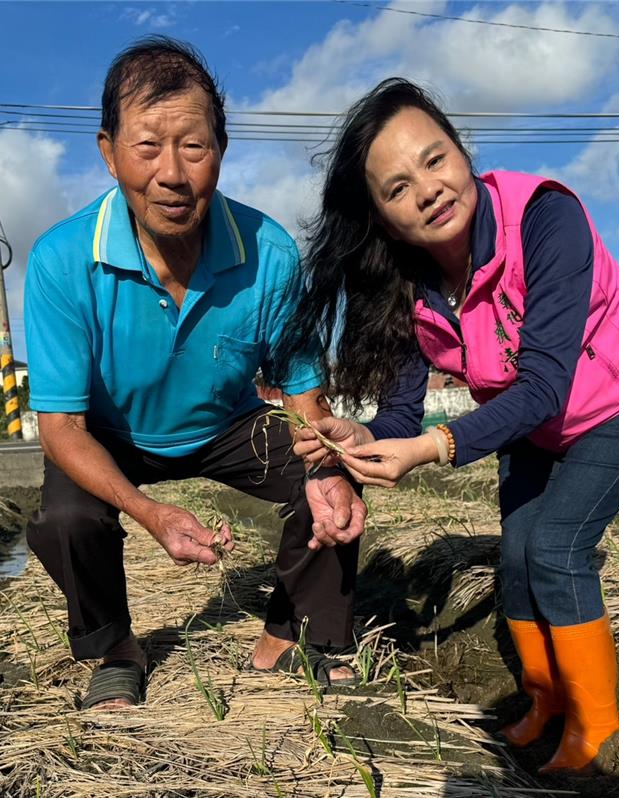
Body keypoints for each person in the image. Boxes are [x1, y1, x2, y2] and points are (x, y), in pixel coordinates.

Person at [278, 78, 619, 773]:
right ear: (385, 220)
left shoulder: (544, 217)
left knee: (557, 548)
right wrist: (366, 436)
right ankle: (545, 700)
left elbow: (543, 383)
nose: (427, 188)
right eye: (396, 188)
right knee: (516, 556)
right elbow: (400, 411)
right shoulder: (407, 285)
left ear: (462, 152)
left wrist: (435, 446)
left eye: (435, 159)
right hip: (535, 424)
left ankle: (598, 726)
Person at [23, 36, 365, 711]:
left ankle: (299, 631)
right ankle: (115, 648)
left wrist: (328, 454)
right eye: (147, 147)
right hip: (108, 432)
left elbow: (302, 395)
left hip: (223, 423)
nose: (172, 174)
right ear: (107, 151)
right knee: (65, 518)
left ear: (221, 150)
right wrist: (150, 512)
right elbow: (60, 426)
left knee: (329, 477)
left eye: (195, 147)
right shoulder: (62, 259)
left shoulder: (268, 253)